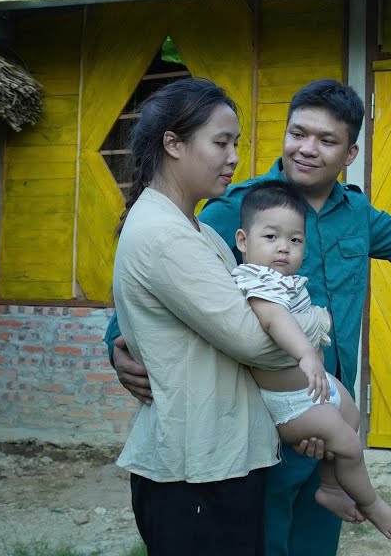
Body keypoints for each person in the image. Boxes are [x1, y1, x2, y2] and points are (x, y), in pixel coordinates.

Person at [105, 78, 391, 556]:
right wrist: (118, 345)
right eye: (298, 133)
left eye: (326, 140)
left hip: (329, 403)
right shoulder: (239, 208)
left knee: (316, 535)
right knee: (261, 536)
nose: (307, 149)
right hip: (263, 415)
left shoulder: (357, 213)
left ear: (349, 153)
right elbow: (161, 287)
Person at [111, 78, 315, 555]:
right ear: (174, 144)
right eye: (221, 142)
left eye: (236, 144)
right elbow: (251, 338)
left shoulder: (195, 229)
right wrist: (314, 326)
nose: (234, 157)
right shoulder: (166, 236)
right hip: (196, 471)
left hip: (218, 458)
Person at [233, 181, 391, 539]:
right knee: (348, 444)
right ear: (242, 242)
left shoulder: (285, 280)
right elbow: (275, 320)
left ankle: (329, 486)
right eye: (271, 237)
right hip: (290, 405)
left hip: (311, 393)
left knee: (352, 415)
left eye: (295, 241)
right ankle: (372, 503)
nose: (284, 247)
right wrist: (307, 354)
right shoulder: (255, 283)